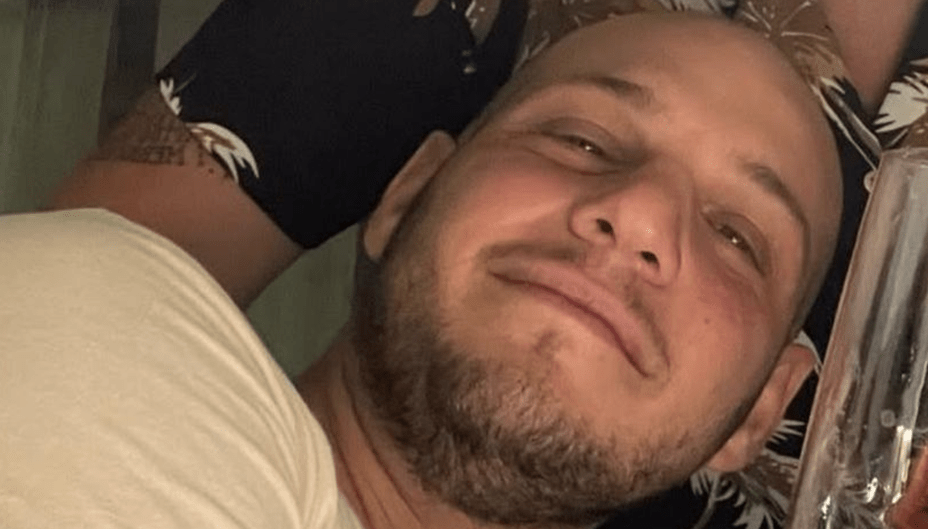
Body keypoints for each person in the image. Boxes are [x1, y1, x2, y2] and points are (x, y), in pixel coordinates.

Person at [0, 11, 844, 529]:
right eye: (581, 140)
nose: (642, 214)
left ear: (761, 410)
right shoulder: (102, 343)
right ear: (407, 194)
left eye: (738, 236)